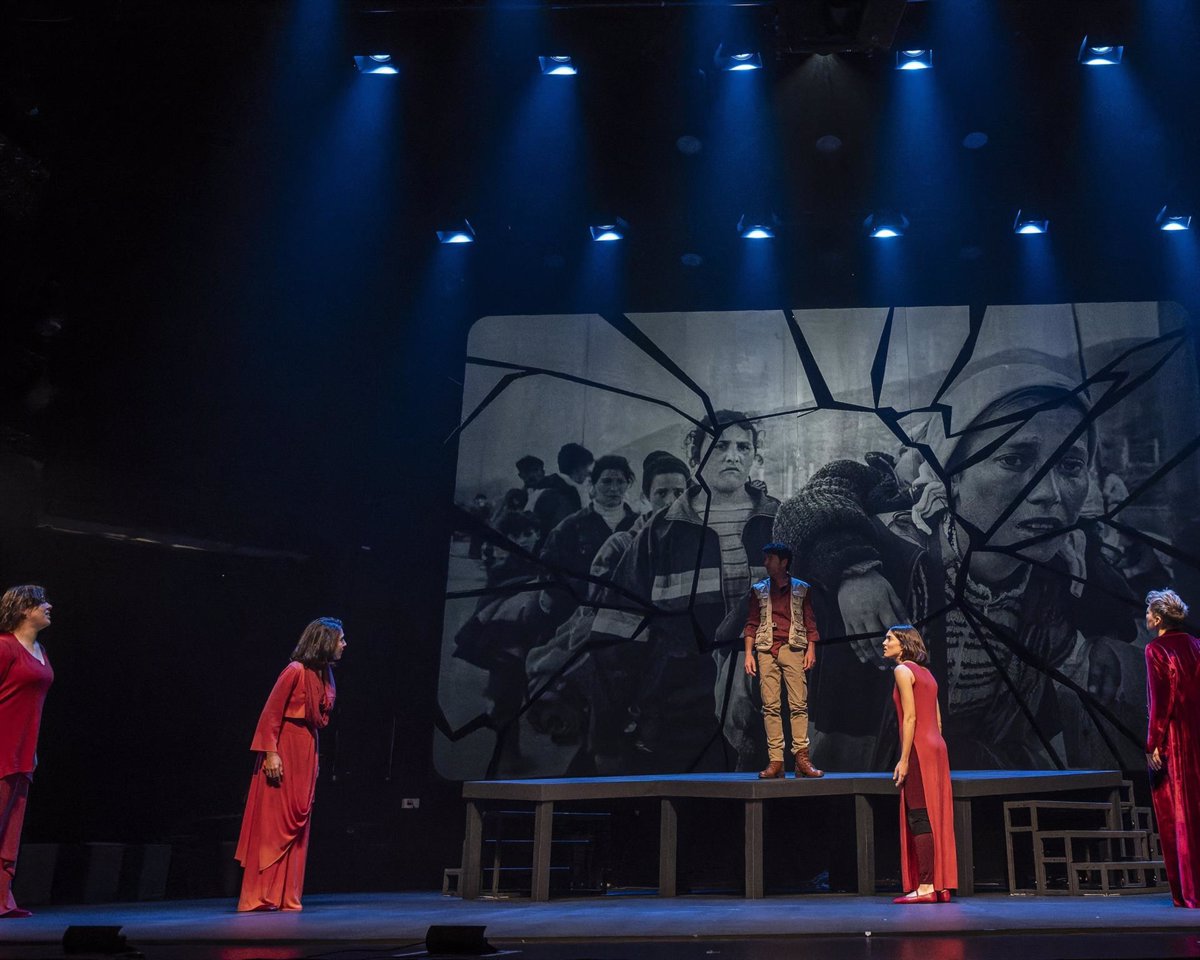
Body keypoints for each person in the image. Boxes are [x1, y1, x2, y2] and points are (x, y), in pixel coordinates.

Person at [775, 350, 1136, 770]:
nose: (1049, 493)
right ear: (953, 473)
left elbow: (1125, 632)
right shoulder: (887, 556)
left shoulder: (1065, 574)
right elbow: (807, 511)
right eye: (1014, 460)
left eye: (1071, 465)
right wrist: (854, 572)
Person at [590, 411, 778, 772]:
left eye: (743, 446)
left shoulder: (779, 524)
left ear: (754, 456)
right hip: (679, 715)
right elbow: (615, 634)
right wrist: (607, 734)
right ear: (696, 457)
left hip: (767, 711)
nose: (733, 456)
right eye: (720, 446)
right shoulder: (660, 533)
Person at [235, 618, 346, 912]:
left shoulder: (324, 675)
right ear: (324, 641)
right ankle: (260, 895)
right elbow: (271, 714)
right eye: (340, 639)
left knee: (300, 822)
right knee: (274, 823)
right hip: (283, 748)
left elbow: (318, 721)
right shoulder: (295, 671)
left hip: (307, 750)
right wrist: (271, 753)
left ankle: (287, 895)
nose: (344, 645)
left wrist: (316, 759)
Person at [883, 624, 956, 904]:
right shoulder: (928, 674)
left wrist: (903, 760)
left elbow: (910, 718)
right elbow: (937, 721)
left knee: (919, 815)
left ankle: (925, 886)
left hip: (918, 748)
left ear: (904, 644)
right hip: (937, 746)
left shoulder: (903, 671)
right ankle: (941, 884)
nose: (884, 643)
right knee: (937, 815)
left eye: (889, 639)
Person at [742, 542, 823, 778]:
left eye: (770, 558)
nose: (766, 562)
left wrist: (811, 649)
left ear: (783, 562)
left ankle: (802, 758)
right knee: (770, 706)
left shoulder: (801, 589)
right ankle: (776, 760)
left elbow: (810, 621)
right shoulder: (759, 590)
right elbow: (751, 623)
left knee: (798, 704)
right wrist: (749, 654)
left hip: (793, 648)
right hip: (766, 649)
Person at [1143, 588, 1200, 908]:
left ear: (1160, 617)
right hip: (1196, 736)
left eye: (1149, 612)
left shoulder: (1156, 650)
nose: (1146, 617)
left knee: (1176, 815)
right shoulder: (1196, 645)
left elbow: (1160, 702)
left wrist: (1154, 743)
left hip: (1175, 741)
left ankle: (1187, 892)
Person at [0, 585, 54, 920]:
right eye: (41, 602)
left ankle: (2, 900)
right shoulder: (4, 648)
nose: (49, 606)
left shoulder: (40, 649)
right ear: (23, 609)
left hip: (23, 751)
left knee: (9, 830)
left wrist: (30, 749)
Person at [538, 455, 639, 627]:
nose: (614, 488)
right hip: (577, 613)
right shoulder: (569, 527)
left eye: (620, 482)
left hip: (629, 614)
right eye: (606, 481)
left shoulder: (639, 525)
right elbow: (549, 572)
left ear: (627, 484)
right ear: (593, 484)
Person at [532, 443, 595, 536]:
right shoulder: (558, 494)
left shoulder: (557, 487)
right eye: (586, 467)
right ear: (577, 468)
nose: (588, 472)